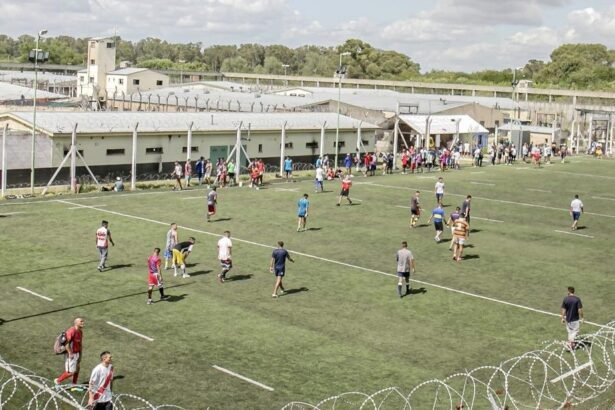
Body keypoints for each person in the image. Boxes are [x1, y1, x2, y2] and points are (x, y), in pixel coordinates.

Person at [54, 318, 85, 387]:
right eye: (81, 321)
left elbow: (80, 344)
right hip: (71, 354)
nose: (83, 322)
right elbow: (66, 343)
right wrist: (70, 353)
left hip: (77, 353)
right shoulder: (72, 331)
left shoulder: (80, 332)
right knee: (70, 372)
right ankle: (57, 381)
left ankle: (74, 384)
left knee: (77, 368)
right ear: (76, 323)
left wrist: (80, 354)